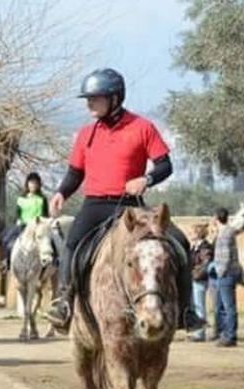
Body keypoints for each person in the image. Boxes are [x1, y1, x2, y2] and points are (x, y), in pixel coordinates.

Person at [45, 68, 202, 334]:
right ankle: (64, 303)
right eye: (88, 98)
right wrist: (62, 192)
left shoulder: (142, 127)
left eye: (94, 98)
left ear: (114, 98)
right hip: (95, 204)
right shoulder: (85, 133)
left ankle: (186, 310)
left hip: (131, 205)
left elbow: (165, 165)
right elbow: (75, 172)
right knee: (71, 242)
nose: (89, 103)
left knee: (179, 241)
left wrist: (147, 179)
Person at [1, 172, 50, 272]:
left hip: (37, 226)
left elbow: (45, 215)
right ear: (27, 184)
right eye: (31, 183)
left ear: (38, 185)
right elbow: (17, 213)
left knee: (49, 242)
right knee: (6, 240)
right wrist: (19, 220)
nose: (33, 185)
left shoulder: (42, 199)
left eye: (35, 183)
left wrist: (41, 221)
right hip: (23, 225)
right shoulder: (21, 198)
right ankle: (6, 262)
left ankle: (53, 262)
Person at [211, 207, 243, 347]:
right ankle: (225, 334)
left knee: (228, 307)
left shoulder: (224, 234)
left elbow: (225, 257)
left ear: (216, 218)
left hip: (225, 274)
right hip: (227, 273)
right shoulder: (228, 231)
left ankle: (230, 336)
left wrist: (219, 272)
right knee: (223, 306)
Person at [188, 224, 213, 342]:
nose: (190, 234)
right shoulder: (196, 246)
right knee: (196, 306)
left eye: (192, 232)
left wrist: (194, 274)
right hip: (196, 279)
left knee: (199, 307)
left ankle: (200, 333)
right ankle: (197, 331)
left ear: (198, 233)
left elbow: (205, 264)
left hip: (199, 280)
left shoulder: (204, 247)